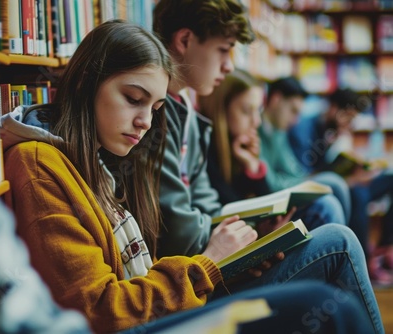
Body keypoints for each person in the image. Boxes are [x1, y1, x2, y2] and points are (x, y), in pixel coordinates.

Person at [0, 19, 383, 333]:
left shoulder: (96, 158)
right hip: (143, 320)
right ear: (85, 84)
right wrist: (209, 263)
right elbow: (100, 311)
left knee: (335, 241)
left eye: (155, 106)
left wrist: (234, 260)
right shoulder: (39, 164)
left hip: (167, 301)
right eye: (133, 99)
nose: (145, 122)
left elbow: (144, 267)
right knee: (332, 261)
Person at [150, 0, 383, 332]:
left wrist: (253, 234)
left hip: (211, 256)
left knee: (332, 209)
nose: (229, 66)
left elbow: (208, 204)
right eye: (224, 50)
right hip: (197, 274)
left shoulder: (186, 110)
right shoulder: (154, 115)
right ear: (185, 40)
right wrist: (251, 237)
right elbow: (180, 232)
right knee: (338, 239)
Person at [197, 68, 345, 231]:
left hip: (253, 231)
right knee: (328, 206)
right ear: (222, 111)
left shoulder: (244, 144)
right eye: (247, 111)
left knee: (333, 200)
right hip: (239, 240)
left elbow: (291, 175)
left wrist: (253, 167)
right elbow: (229, 209)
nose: (256, 121)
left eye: (258, 111)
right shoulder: (206, 149)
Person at [288, 87, 393, 285]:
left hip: (345, 183)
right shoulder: (304, 129)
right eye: (349, 118)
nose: (350, 125)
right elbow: (304, 178)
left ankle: (385, 248)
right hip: (333, 188)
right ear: (335, 108)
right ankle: (365, 263)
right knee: (358, 193)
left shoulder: (334, 130)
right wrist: (351, 180)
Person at [258, 77, 352, 224]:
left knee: (336, 187)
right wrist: (304, 182)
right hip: (271, 201)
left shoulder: (278, 132)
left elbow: (293, 170)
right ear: (276, 99)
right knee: (333, 189)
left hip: (286, 189)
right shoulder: (256, 132)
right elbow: (272, 184)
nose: (295, 121)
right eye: (293, 111)